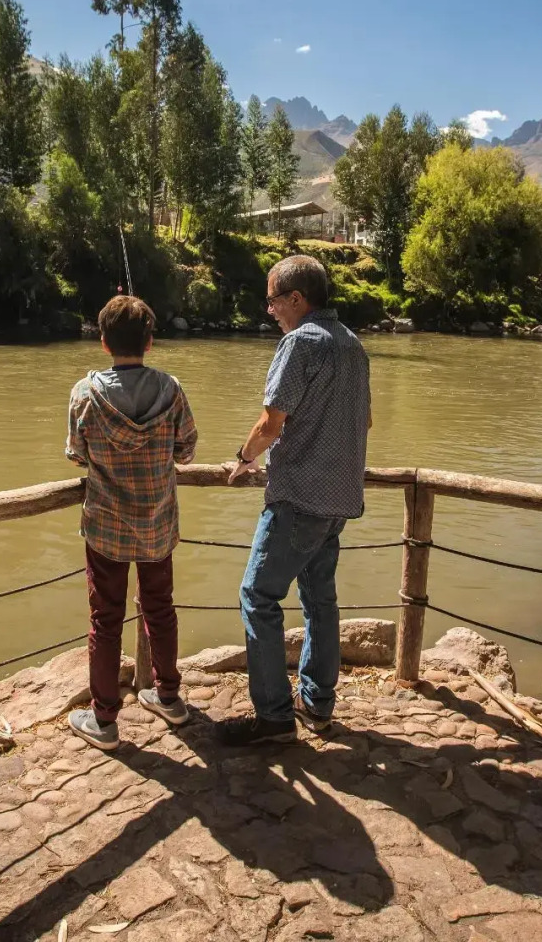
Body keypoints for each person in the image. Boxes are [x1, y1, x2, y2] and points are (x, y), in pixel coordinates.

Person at [218, 255, 371, 747]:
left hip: (299, 498)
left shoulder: (299, 343)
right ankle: (318, 705)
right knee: (319, 600)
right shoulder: (353, 344)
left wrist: (242, 458)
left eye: (273, 300)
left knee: (258, 596)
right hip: (339, 500)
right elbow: (364, 424)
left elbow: (270, 424)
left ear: (296, 299)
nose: (270, 311)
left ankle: (275, 717)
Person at [65, 295, 199, 750]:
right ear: (150, 341)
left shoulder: (85, 393)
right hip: (158, 521)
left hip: (105, 526)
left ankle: (104, 720)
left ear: (103, 342)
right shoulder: (172, 389)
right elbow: (186, 450)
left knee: (105, 620)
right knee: (160, 609)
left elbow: (75, 454)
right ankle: (169, 697)